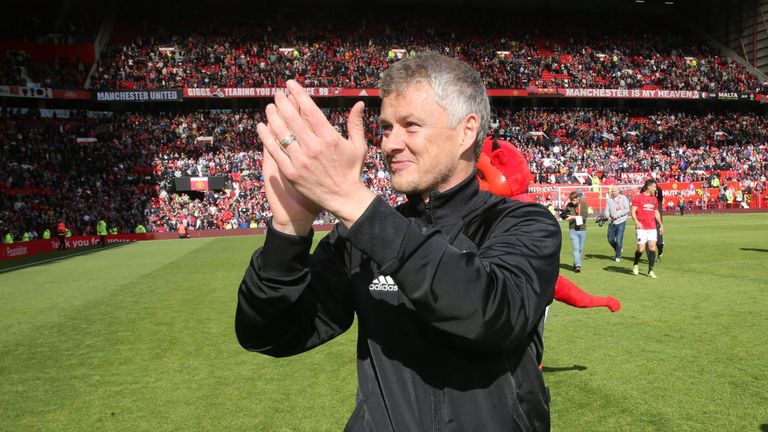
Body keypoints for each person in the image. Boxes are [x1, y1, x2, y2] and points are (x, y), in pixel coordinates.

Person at [236, 53, 561, 431]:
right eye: (386, 127)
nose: (390, 144)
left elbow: (491, 314)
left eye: (411, 126)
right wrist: (288, 232)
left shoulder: (523, 223)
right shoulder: (356, 238)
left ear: (467, 131)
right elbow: (267, 334)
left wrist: (350, 200)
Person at [630, 179, 664, 278]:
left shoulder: (654, 199)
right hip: (641, 227)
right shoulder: (638, 198)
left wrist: (661, 225)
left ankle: (650, 270)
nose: (655, 188)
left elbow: (656, 212)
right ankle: (635, 264)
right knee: (640, 249)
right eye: (654, 186)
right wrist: (636, 221)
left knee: (652, 246)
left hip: (652, 227)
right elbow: (633, 211)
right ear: (648, 187)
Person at [561, 191, 589, 272]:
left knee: (580, 249)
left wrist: (573, 217)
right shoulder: (569, 205)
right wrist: (562, 215)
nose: (572, 202)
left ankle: (576, 262)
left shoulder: (584, 205)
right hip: (573, 229)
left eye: (573, 200)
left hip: (582, 229)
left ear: (577, 198)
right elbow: (565, 216)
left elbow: (584, 217)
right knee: (576, 248)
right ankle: (578, 266)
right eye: (571, 200)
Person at [604, 186, 630, 262]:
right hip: (612, 221)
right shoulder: (609, 200)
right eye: (612, 191)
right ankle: (618, 248)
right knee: (610, 239)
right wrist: (607, 216)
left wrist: (618, 215)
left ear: (618, 191)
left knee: (619, 239)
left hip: (621, 221)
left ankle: (618, 256)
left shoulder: (623, 198)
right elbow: (606, 210)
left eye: (614, 191)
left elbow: (627, 209)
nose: (613, 192)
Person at [655, 185, 665, 262]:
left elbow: (660, 192)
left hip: (658, 223)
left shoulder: (659, 200)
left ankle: (660, 252)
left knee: (659, 242)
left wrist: (655, 185)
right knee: (649, 243)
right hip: (649, 222)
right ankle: (651, 259)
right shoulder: (647, 199)